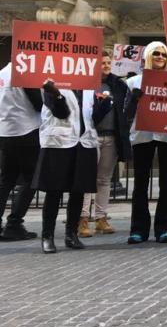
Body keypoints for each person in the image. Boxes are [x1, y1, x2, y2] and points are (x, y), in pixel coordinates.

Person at [34, 81, 105, 254]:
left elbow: (93, 118)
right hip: (60, 143)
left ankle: (71, 234)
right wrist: (56, 94)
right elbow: (61, 112)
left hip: (84, 143)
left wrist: (104, 106)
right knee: (54, 191)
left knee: (79, 190)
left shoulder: (89, 87)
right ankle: (47, 236)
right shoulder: (51, 84)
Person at [125, 41, 167, 244]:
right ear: (148, 56)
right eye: (156, 53)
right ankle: (138, 229)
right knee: (140, 183)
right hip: (142, 135)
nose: (160, 57)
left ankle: (164, 228)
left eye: (164, 54)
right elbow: (126, 114)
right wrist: (133, 100)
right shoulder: (133, 82)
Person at [78, 53, 129, 237]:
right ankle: (82, 219)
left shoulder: (118, 85)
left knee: (104, 179)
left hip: (111, 137)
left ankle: (101, 218)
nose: (107, 66)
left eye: (109, 62)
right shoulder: (85, 84)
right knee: (86, 179)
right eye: (102, 63)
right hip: (90, 136)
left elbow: (127, 109)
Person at [0, 63, 41, 241]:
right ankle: (14, 223)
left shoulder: (2, 73)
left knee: (6, 179)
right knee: (31, 179)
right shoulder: (25, 73)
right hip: (27, 130)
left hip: (6, 130)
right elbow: (39, 104)